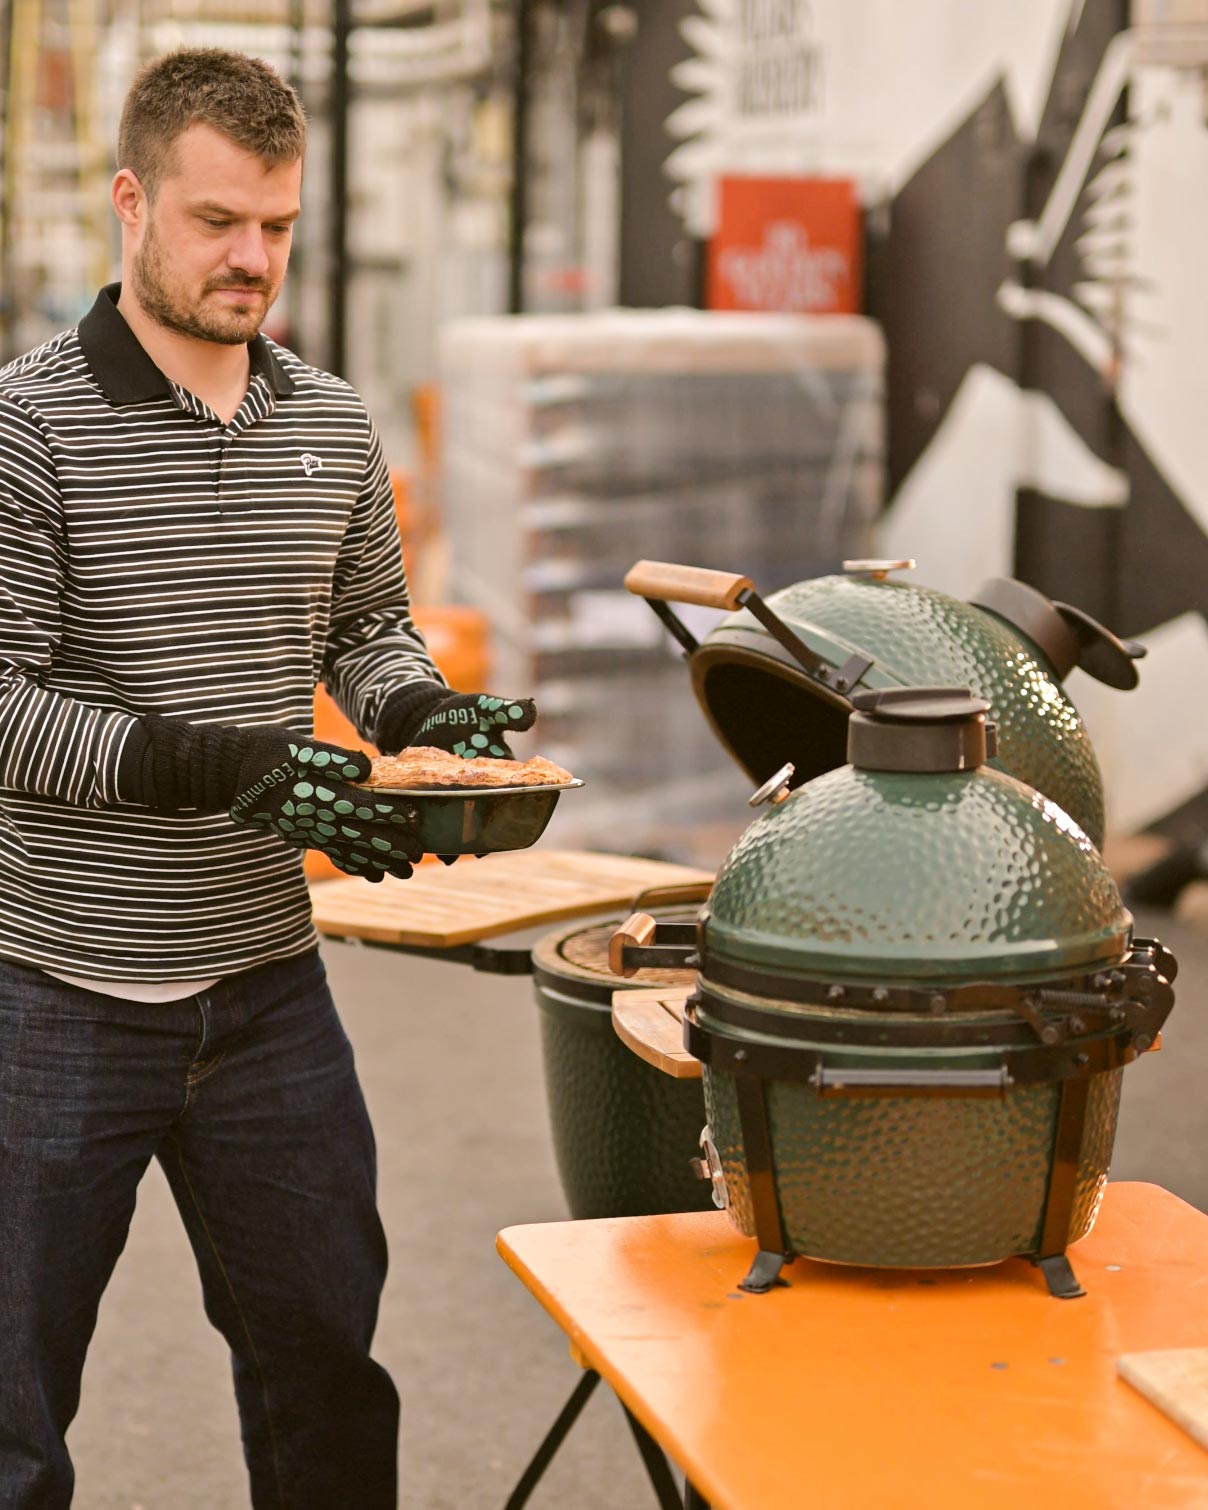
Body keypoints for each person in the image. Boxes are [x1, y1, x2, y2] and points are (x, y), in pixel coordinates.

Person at [0, 47, 535, 1509]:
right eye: (217, 220)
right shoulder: (27, 426)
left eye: (279, 225)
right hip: (56, 989)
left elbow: (365, 628)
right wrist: (235, 769)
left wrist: (425, 715)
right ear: (131, 203)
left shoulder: (330, 422)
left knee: (326, 1373)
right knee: (12, 1417)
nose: (253, 257)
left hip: (265, 995)